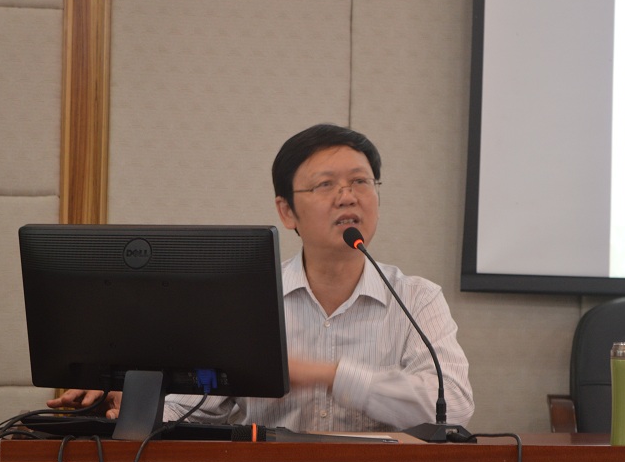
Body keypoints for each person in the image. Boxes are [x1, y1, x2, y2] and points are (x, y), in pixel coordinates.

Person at [49, 123, 474, 432]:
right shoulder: (246, 300)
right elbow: (197, 408)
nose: (347, 196)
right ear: (287, 211)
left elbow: (453, 407)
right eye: (326, 185)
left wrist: (329, 375)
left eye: (361, 181)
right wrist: (130, 401)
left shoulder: (416, 299)